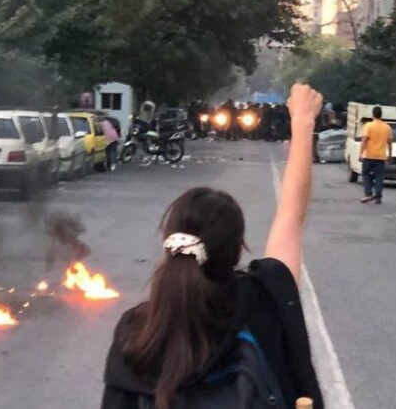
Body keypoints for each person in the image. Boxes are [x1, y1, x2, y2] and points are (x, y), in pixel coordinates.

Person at [100, 84, 325, 409]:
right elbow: (291, 214)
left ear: (170, 243)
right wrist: (303, 123)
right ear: (236, 250)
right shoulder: (260, 302)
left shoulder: (135, 334)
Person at [360, 106, 393, 204]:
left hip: (369, 155)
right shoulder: (387, 127)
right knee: (379, 177)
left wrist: (360, 153)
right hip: (381, 157)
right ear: (381, 115)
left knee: (365, 173)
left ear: (373, 115)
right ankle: (378, 197)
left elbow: (364, 141)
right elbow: (390, 143)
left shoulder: (368, 126)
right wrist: (390, 155)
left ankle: (368, 194)